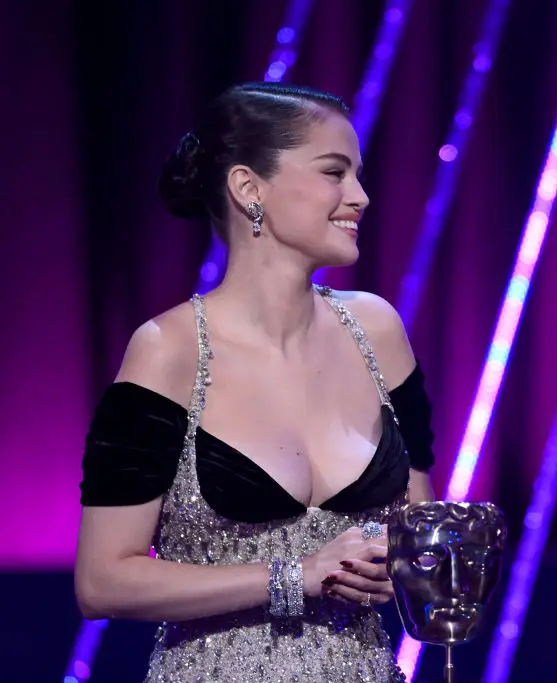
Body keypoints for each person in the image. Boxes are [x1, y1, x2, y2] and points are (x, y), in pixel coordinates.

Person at [74, 82, 437, 682]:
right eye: (334, 172)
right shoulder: (168, 350)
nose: (360, 196)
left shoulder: (379, 330)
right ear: (249, 188)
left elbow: (418, 528)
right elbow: (102, 580)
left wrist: (409, 561)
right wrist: (296, 575)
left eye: (358, 175)